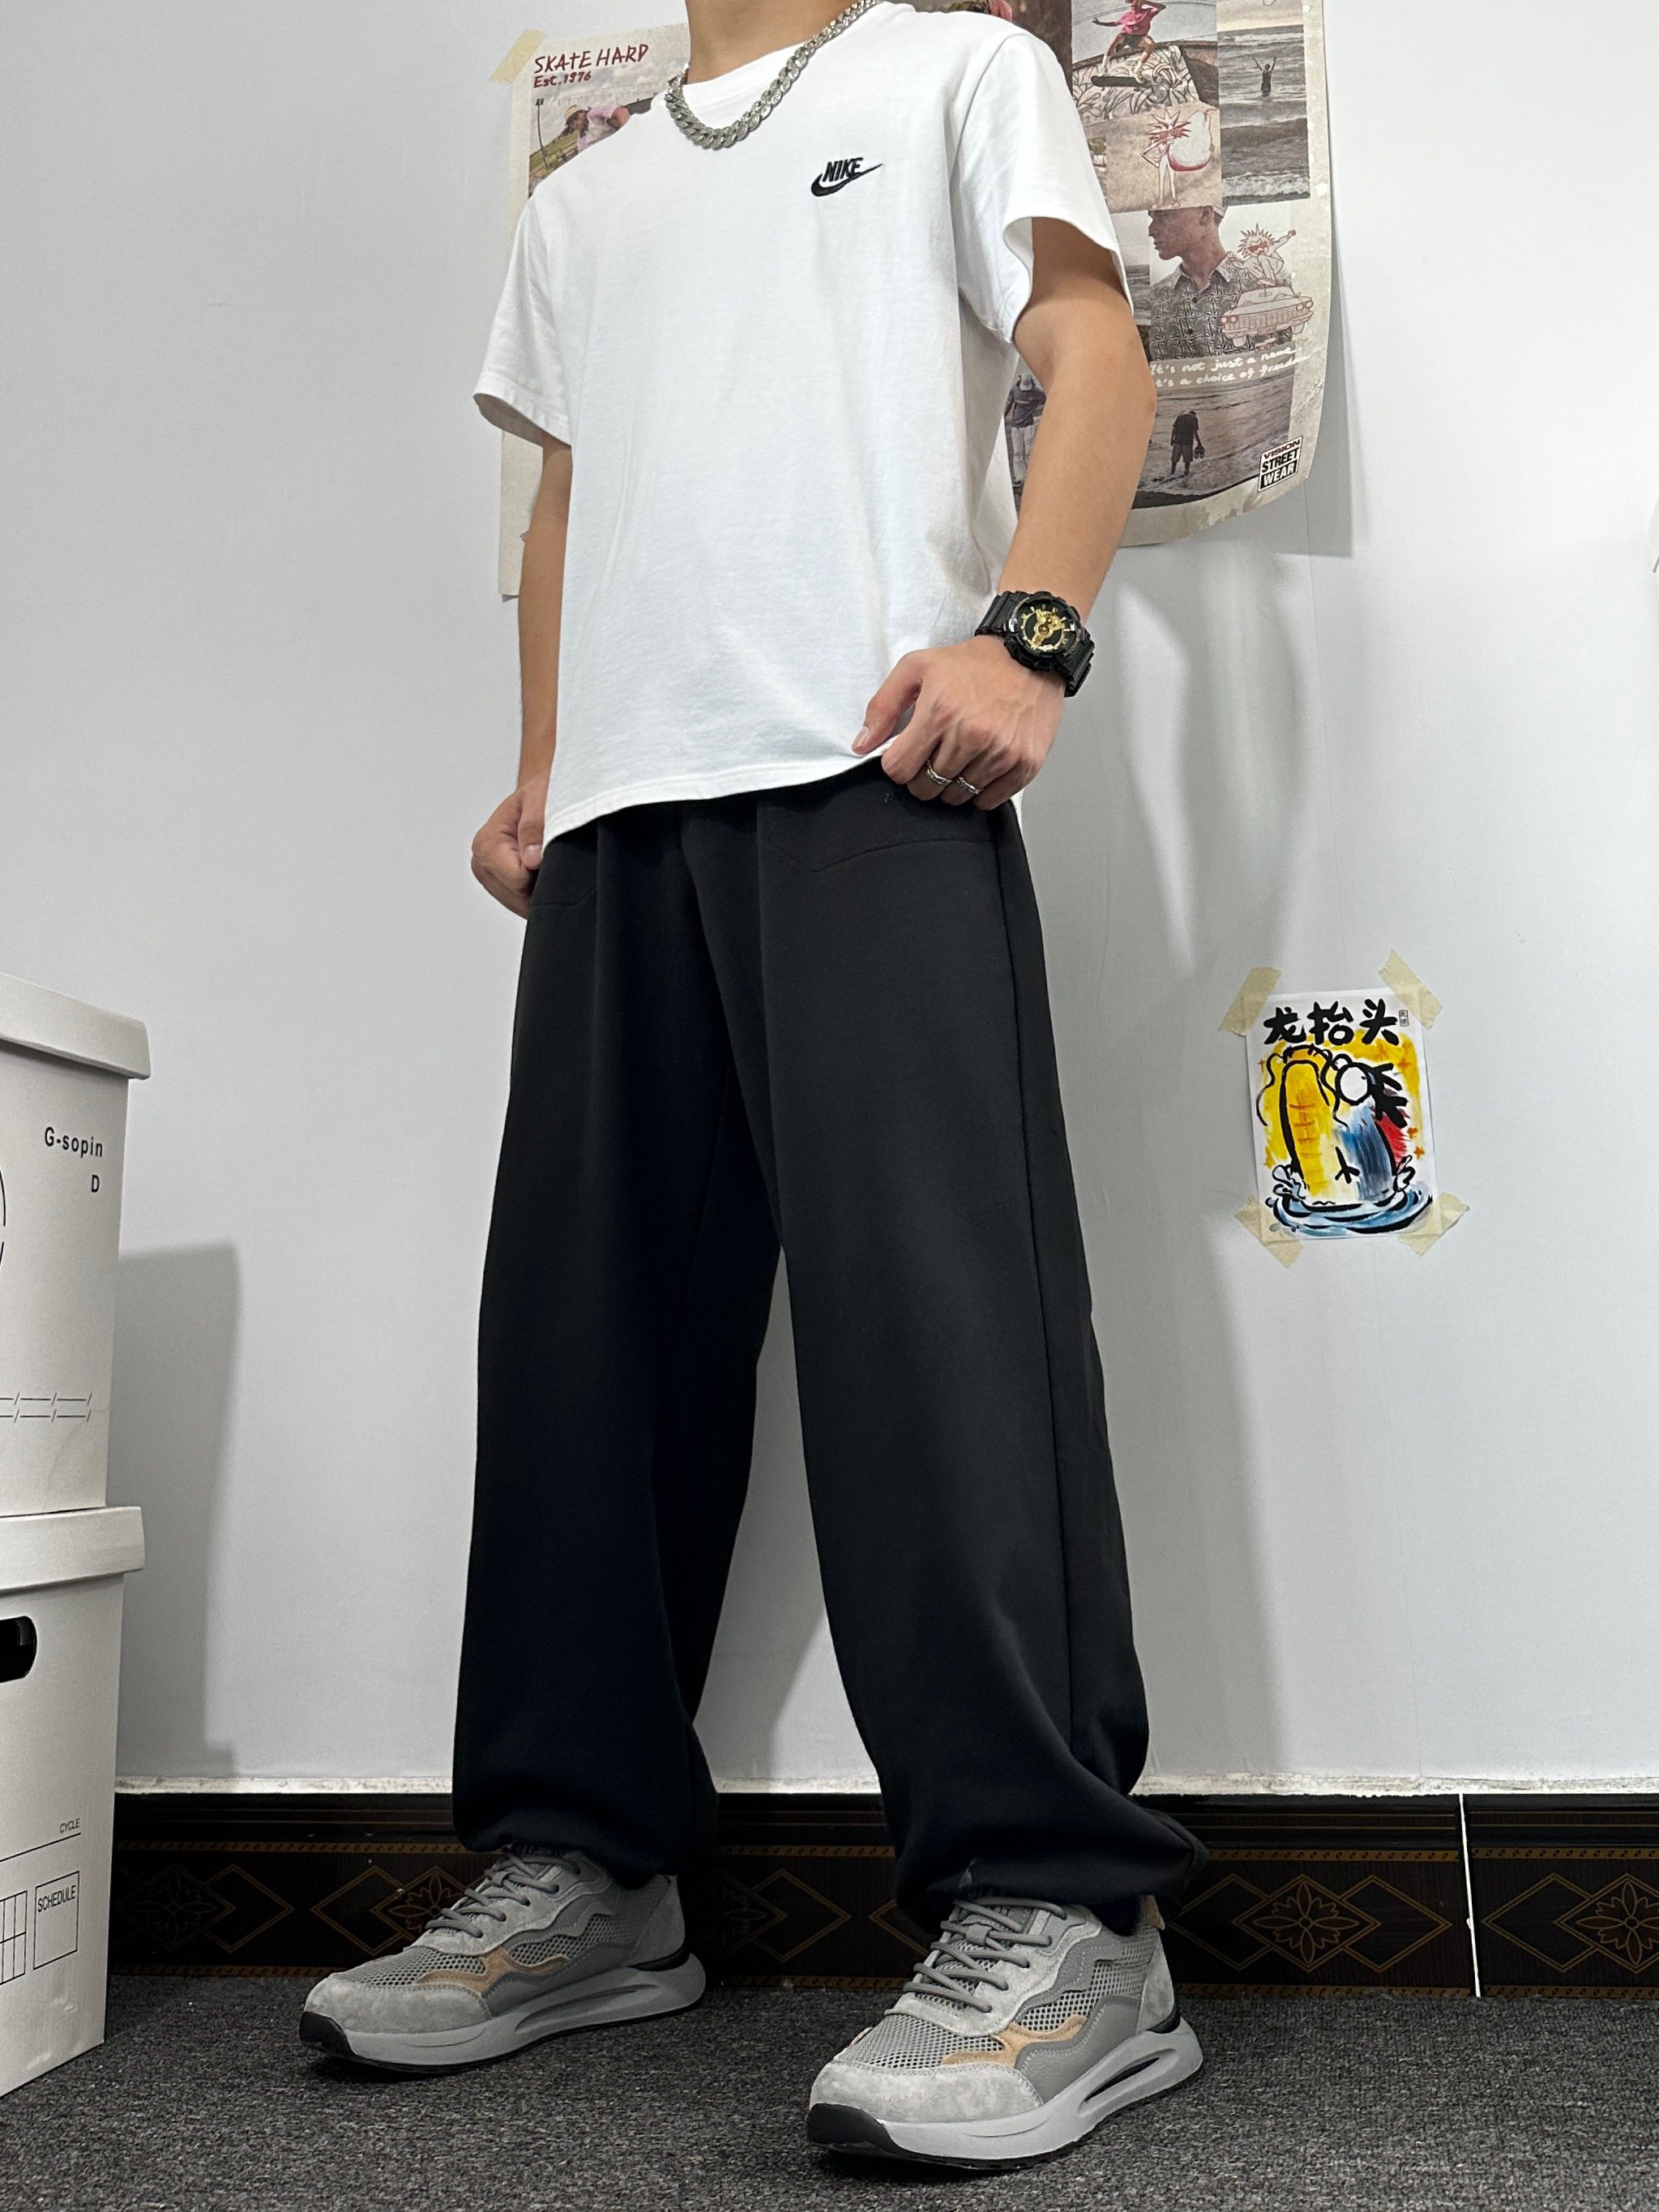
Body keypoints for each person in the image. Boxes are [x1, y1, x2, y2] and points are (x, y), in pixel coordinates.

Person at [299, 0, 1206, 2170]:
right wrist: (543, 761)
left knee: (939, 1340)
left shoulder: (953, 72)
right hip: (620, 824)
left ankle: (1063, 1909)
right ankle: (582, 1869)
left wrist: (1030, 632)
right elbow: (563, 500)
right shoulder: (587, 192)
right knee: (581, 1357)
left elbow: (1089, 351)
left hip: (870, 763)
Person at [1146, 202, 1248, 359]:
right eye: (1153, 218)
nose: (1151, 231)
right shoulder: (1154, 299)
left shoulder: (1266, 285)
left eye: (1163, 216)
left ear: (1205, 214)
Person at [1169, 408, 1204, 478]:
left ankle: (1172, 473)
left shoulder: (1179, 417)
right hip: (1187, 442)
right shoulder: (1194, 419)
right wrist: (1199, 442)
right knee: (1187, 460)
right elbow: (1194, 432)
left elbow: (1174, 429)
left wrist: (1171, 439)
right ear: (1194, 415)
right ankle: (1186, 473)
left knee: (1174, 459)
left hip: (1177, 441)